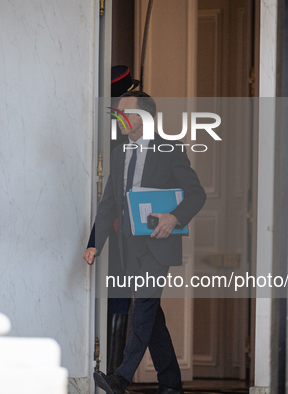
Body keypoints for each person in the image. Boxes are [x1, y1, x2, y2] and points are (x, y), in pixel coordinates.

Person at [86, 91, 206, 394]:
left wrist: (174, 218)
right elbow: (109, 204)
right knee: (151, 314)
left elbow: (196, 194)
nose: (120, 119)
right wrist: (94, 244)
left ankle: (121, 377)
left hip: (158, 242)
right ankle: (171, 383)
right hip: (129, 245)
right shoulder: (118, 152)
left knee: (143, 306)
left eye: (126, 113)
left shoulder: (170, 149)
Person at [84, 65, 140, 375]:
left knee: (128, 300)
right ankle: (112, 371)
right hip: (121, 217)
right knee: (122, 299)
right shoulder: (120, 122)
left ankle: (113, 372)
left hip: (127, 218)